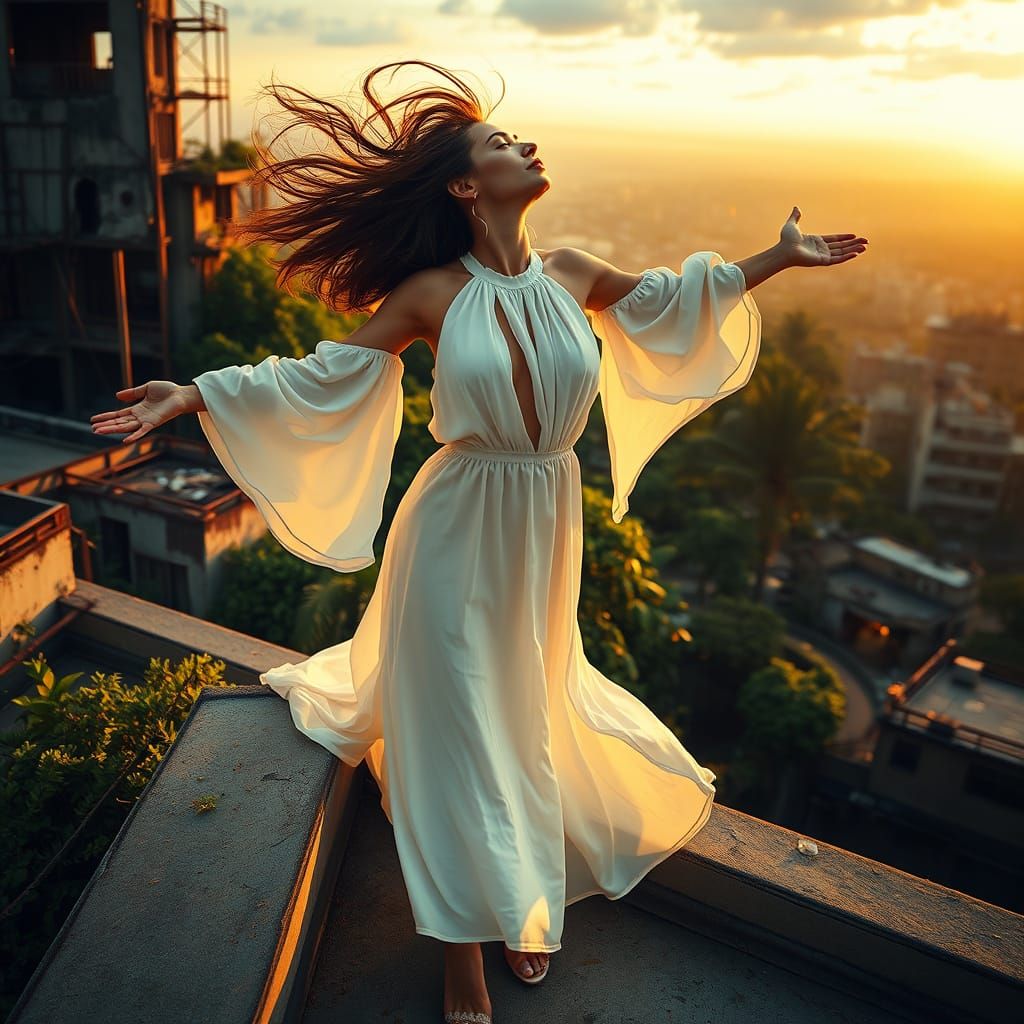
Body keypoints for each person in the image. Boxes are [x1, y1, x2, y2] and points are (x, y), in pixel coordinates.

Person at [89, 60, 868, 1024]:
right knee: (456, 724)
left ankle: (519, 888)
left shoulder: (573, 272)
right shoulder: (428, 292)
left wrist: (777, 258)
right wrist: (194, 392)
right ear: (467, 186)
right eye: (501, 143)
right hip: (456, 520)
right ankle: (465, 951)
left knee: (527, 708)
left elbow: (671, 303)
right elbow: (323, 372)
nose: (524, 145)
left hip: (544, 519)